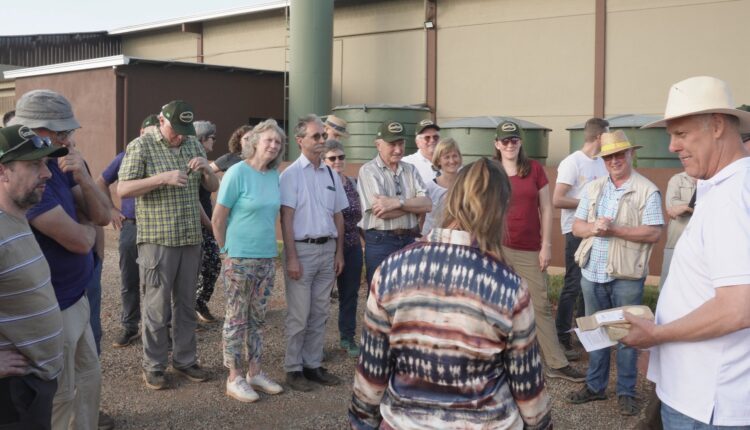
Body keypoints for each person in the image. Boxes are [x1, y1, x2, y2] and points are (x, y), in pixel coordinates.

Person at [349, 158, 552, 430]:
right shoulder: (509, 286)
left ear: (452, 200)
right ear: (501, 210)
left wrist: (362, 422)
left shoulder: (390, 270)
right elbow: (527, 386)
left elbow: (371, 372)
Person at [621, 76, 750, 428]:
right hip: (704, 393)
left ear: (718, 126)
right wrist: (662, 350)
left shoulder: (731, 198)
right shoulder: (727, 188)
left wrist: (656, 336)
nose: (672, 146)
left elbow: (738, 307)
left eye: (681, 134)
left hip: (708, 403)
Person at [10, 89, 113, 429]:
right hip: (51, 308)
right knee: (61, 397)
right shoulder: (24, 178)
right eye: (59, 131)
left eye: (68, 130)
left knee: (89, 379)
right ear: (32, 129)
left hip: (76, 296)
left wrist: (82, 176)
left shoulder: (58, 160)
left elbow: (101, 217)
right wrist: (87, 227)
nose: (67, 139)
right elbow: (80, 240)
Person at [118, 100, 219, 390]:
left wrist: (207, 171)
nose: (180, 136)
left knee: (186, 304)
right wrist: (162, 178)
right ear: (162, 121)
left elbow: (211, 187)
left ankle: (185, 360)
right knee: (157, 306)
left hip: (190, 237)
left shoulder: (193, 144)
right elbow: (123, 188)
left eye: (185, 131)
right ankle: (154, 365)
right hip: (158, 239)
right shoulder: (141, 146)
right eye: (176, 130)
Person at [567, 130, 663, 416]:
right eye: (608, 156)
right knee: (595, 333)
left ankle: (626, 392)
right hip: (592, 273)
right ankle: (595, 387)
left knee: (627, 336)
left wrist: (615, 230)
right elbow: (577, 227)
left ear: (631, 154)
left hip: (626, 276)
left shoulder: (647, 189)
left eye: (619, 154)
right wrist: (593, 228)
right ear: (603, 160)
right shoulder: (594, 187)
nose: (614, 160)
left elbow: (653, 233)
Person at [494, 119, 585, 384]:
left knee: (541, 305)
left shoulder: (533, 169)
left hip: (528, 248)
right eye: (505, 141)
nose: (510, 145)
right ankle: (499, 360)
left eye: (514, 140)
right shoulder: (491, 171)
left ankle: (556, 362)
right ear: (497, 144)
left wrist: (546, 245)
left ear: (520, 142)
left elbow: (546, 208)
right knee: (497, 304)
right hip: (496, 246)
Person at [212, 119, 286, 402]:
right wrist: (225, 252)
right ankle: (234, 377)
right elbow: (218, 219)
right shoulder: (237, 172)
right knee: (236, 317)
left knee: (258, 318)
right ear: (255, 142)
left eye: (278, 142)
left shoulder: (274, 175)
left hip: (266, 257)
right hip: (239, 258)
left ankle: (255, 371)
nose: (274, 145)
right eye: (269, 140)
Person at [0, 125, 68, 429]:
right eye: (34, 165)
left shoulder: (17, 217)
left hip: (34, 383)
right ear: (3, 172)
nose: (47, 173)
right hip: (13, 393)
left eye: (45, 163)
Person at [280, 114, 348, 391]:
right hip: (303, 251)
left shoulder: (331, 173)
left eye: (323, 135)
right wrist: (291, 257)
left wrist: (339, 253)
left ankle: (313, 364)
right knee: (299, 315)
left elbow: (338, 216)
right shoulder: (291, 175)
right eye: (316, 136)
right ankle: (293, 368)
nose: (322, 140)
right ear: (300, 140)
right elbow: (286, 218)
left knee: (320, 313)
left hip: (327, 249)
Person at [96, 114, 159, 348]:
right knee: (129, 279)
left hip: (157, 226)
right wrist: (111, 209)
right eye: (149, 133)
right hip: (131, 225)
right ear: (141, 133)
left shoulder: (163, 158)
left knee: (156, 281)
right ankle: (130, 326)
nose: (153, 137)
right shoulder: (125, 156)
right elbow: (101, 182)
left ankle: (158, 330)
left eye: (157, 133)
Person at [552, 117, 609, 360]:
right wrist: (588, 204)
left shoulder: (603, 163)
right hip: (575, 231)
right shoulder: (572, 162)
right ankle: (562, 337)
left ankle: (584, 334)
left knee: (591, 285)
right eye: (608, 135)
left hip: (597, 231)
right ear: (599, 137)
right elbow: (557, 199)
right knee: (574, 284)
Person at [357, 121, 431, 287]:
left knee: (408, 291)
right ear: (378, 145)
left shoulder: (411, 169)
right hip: (381, 241)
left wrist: (396, 202)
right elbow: (382, 212)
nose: (398, 149)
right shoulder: (368, 170)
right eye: (392, 144)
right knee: (379, 292)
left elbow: (427, 205)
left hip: (410, 238)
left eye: (401, 143)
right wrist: (414, 206)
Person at [323, 139, 362, 357]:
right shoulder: (321, 184)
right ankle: (316, 343)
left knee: (350, 295)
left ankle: (347, 337)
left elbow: (360, 217)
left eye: (341, 157)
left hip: (353, 246)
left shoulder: (353, 183)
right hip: (328, 248)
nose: (338, 161)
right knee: (321, 297)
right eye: (332, 158)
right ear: (324, 160)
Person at [193, 120, 221, 323]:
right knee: (199, 267)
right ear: (202, 139)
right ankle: (191, 309)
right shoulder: (192, 162)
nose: (214, 141)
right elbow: (194, 200)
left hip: (207, 223)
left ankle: (199, 304)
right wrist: (209, 225)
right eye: (212, 138)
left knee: (212, 265)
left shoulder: (203, 163)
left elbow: (208, 193)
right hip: (198, 225)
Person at [658, 171, 696, 289]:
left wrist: (686, 208)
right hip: (675, 241)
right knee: (668, 284)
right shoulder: (677, 179)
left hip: (701, 244)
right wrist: (696, 207)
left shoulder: (711, 179)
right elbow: (671, 207)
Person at [420, 137, 462, 236]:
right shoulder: (429, 188)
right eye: (447, 157)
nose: (452, 161)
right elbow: (421, 217)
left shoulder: (467, 186)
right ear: (438, 161)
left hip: (457, 238)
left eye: (455, 156)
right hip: (432, 238)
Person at [402, 118, 440, 183]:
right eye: (427, 138)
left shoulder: (449, 161)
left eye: (435, 137)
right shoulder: (407, 163)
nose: (432, 140)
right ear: (417, 142)